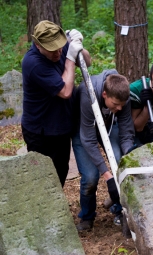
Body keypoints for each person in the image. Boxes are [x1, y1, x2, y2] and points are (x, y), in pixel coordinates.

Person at [21, 20, 91, 187]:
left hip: (60, 128)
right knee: (42, 179)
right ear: (38, 45)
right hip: (40, 132)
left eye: (60, 46)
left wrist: (79, 46)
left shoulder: (59, 47)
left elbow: (87, 62)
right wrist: (70, 58)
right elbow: (65, 92)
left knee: (60, 173)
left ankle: (55, 209)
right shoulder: (33, 63)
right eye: (52, 49)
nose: (58, 52)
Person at [72, 69, 136, 231]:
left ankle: (120, 210)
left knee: (117, 159)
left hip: (107, 124)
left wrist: (127, 154)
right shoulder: (88, 93)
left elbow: (126, 130)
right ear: (105, 95)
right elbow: (88, 139)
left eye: (122, 104)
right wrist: (107, 176)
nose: (120, 108)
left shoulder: (122, 96)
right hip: (84, 130)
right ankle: (87, 216)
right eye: (116, 104)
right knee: (91, 176)